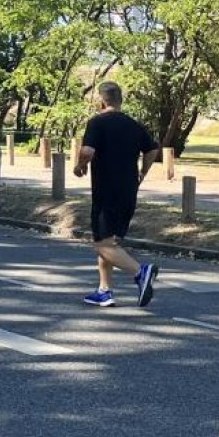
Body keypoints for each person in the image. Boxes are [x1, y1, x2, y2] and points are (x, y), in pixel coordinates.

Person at [73, 81, 159, 307]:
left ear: (102, 101)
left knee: (102, 244)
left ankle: (141, 272)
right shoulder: (134, 125)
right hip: (129, 190)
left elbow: (87, 151)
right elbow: (152, 149)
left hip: (106, 191)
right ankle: (104, 290)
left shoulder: (97, 122)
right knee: (110, 242)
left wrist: (79, 166)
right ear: (120, 101)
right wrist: (143, 172)